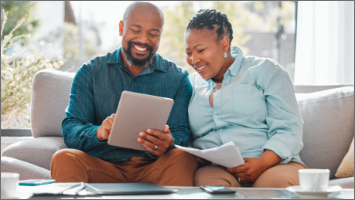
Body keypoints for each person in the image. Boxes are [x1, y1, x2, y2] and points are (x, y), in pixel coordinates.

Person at [51, 2, 198, 186]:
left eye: (153, 34)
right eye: (136, 30)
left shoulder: (178, 77)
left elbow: (182, 132)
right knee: (63, 158)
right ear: (121, 28)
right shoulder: (90, 72)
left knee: (183, 157)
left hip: (154, 166)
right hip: (102, 165)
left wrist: (169, 142)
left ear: (160, 35)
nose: (144, 40)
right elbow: (71, 128)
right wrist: (98, 132)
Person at [185, 9, 307, 188]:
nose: (194, 60)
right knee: (211, 189)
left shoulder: (266, 71)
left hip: (274, 165)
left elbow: (289, 128)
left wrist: (262, 163)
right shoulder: (190, 84)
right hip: (217, 169)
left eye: (200, 50)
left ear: (224, 43)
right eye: (188, 53)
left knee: (270, 187)